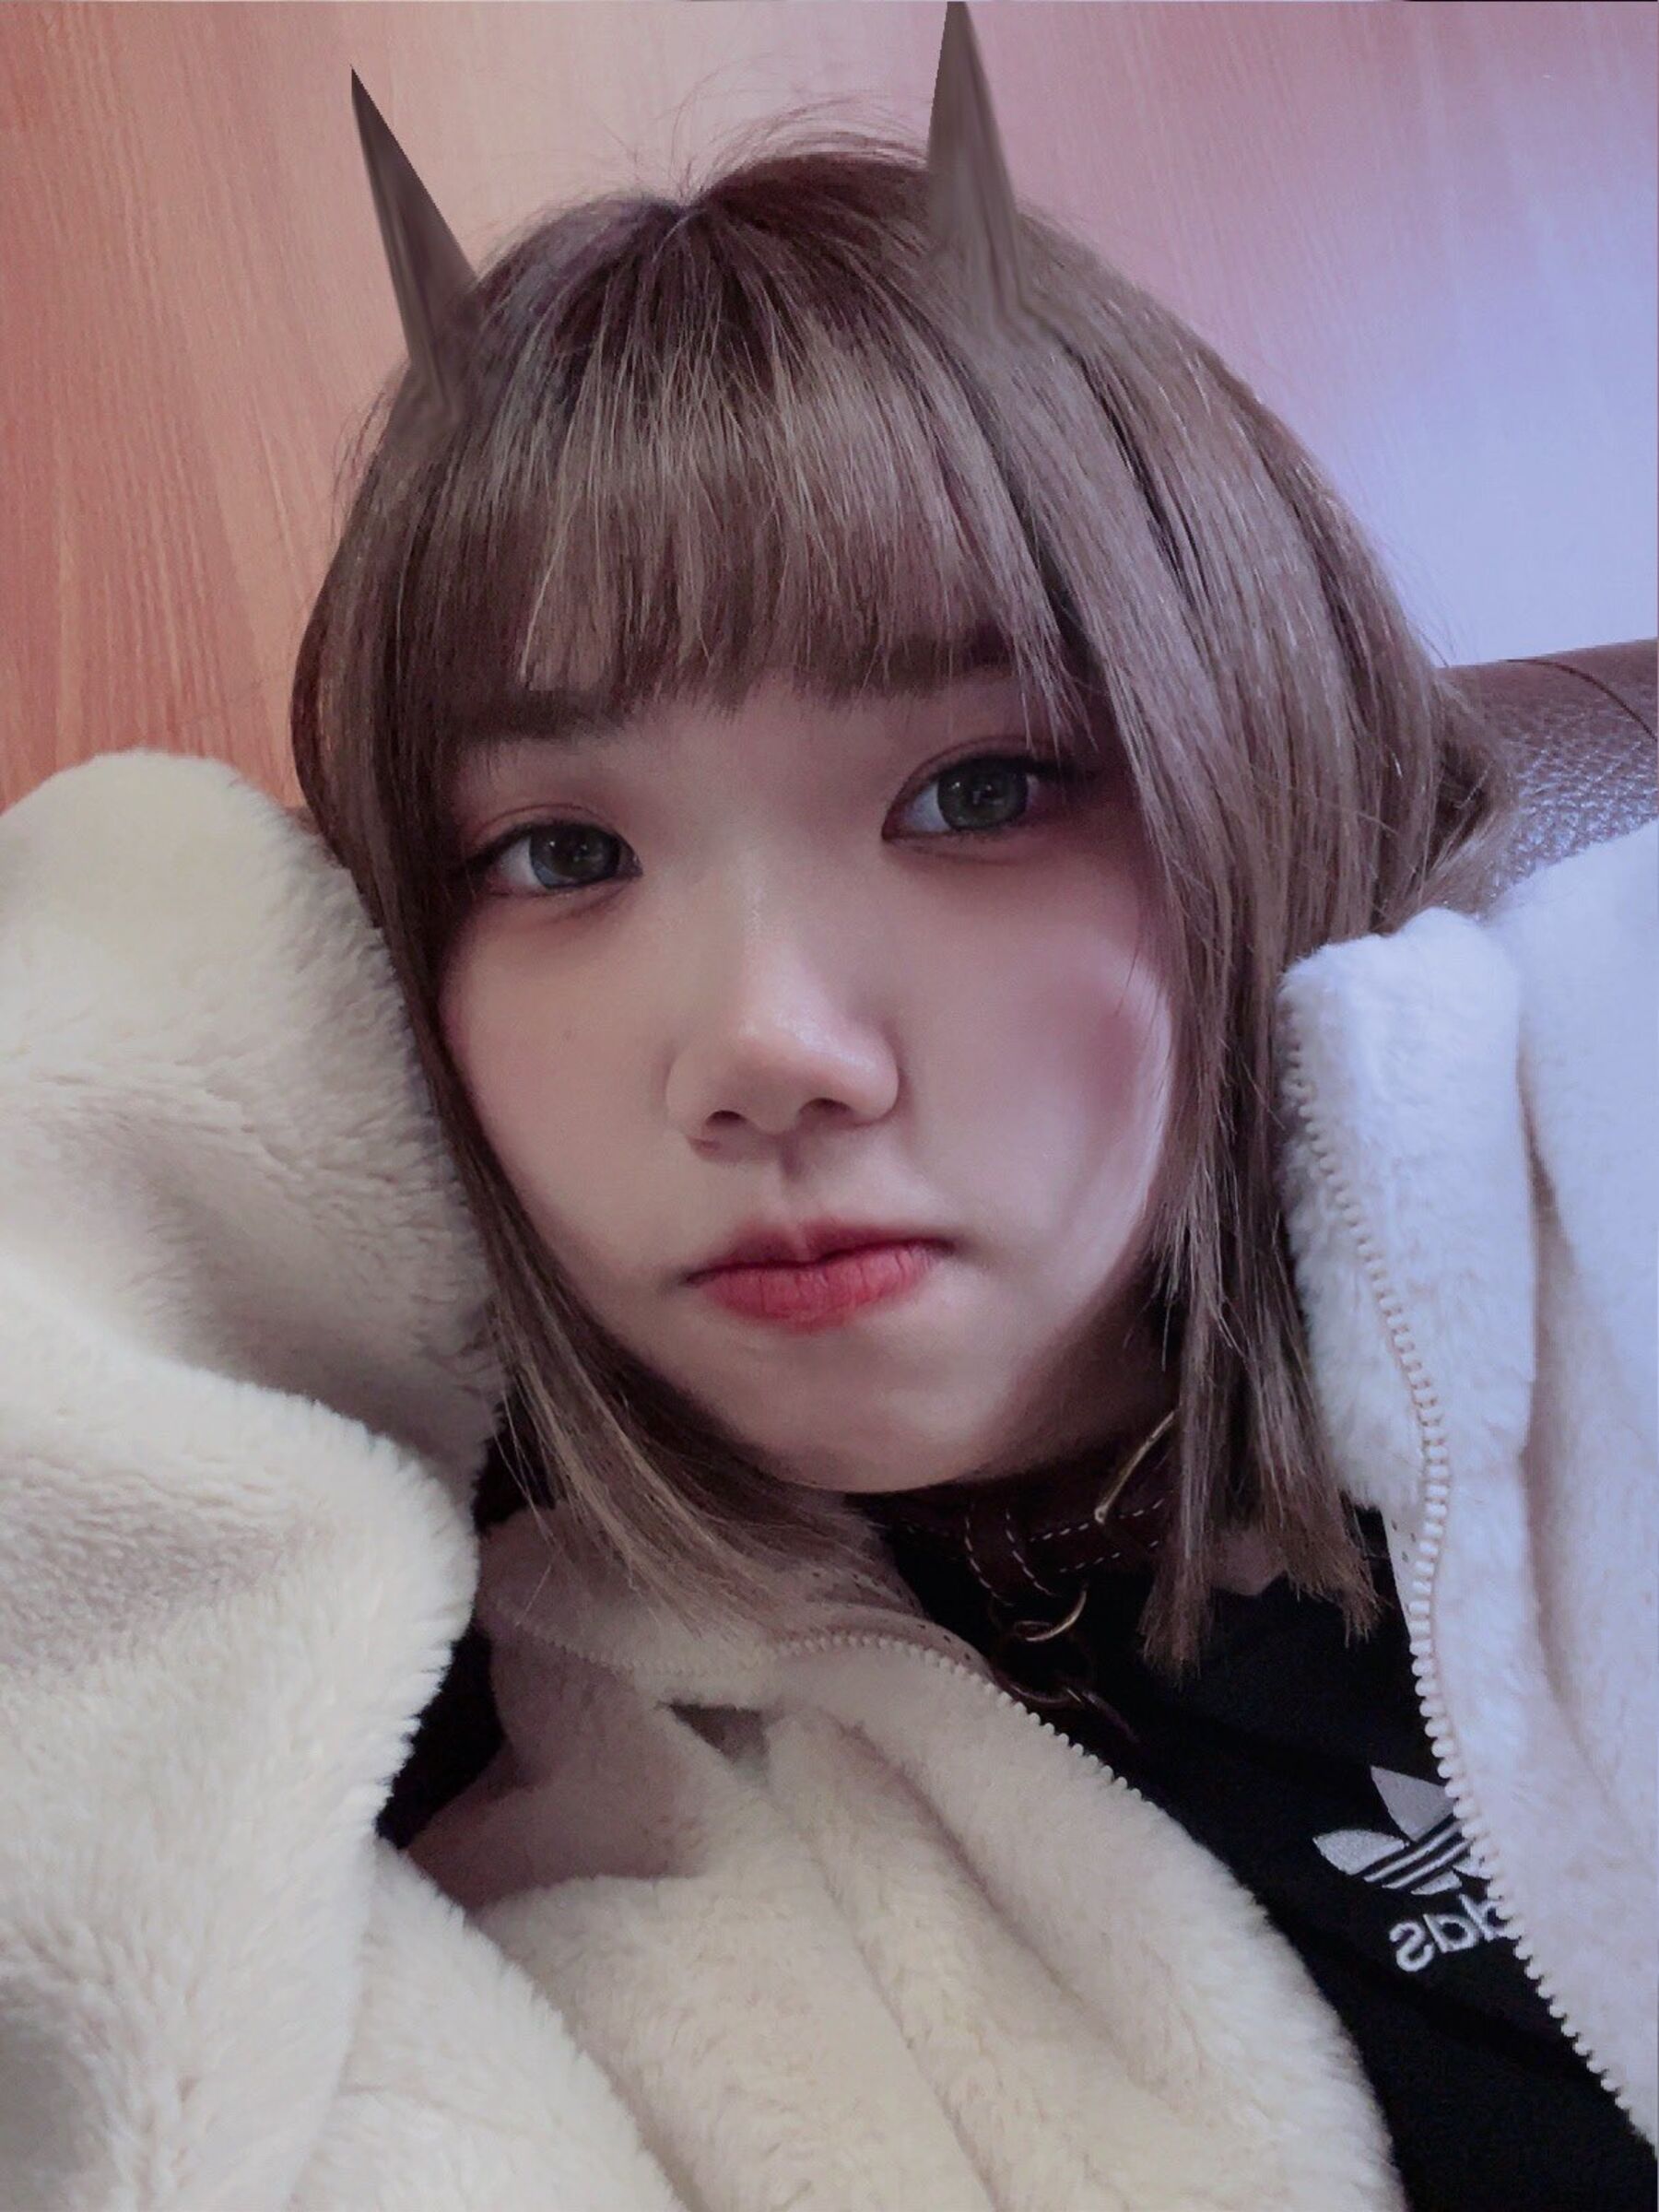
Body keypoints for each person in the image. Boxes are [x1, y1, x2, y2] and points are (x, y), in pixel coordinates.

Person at [1, 21, 1653, 2211]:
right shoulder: (595, 1826)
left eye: (980, 792)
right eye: (562, 855)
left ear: (1263, 765)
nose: (770, 1049)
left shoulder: (1606, 1180)